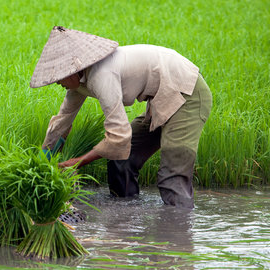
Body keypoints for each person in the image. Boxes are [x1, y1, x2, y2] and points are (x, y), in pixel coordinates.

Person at [31, 26, 212, 208]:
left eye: (58, 77)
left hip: (187, 94)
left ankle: (178, 228)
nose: (57, 82)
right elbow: (63, 121)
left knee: (172, 176)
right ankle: (126, 217)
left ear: (72, 69)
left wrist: (76, 163)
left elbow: (119, 137)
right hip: (163, 98)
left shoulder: (102, 75)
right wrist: (42, 162)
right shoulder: (78, 83)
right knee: (122, 160)